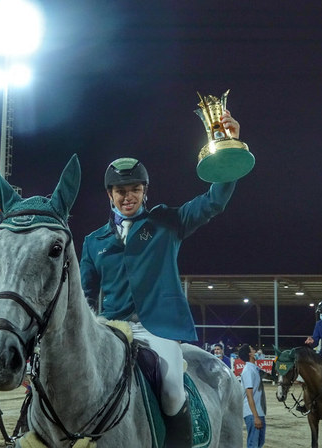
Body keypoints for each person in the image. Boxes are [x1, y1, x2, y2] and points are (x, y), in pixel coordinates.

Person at [80, 111, 242, 448]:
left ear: (145, 191)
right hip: (111, 329)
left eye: (135, 189)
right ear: (109, 194)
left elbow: (213, 202)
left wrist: (225, 148)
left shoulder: (167, 222)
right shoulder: (93, 241)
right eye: (120, 191)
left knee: (171, 391)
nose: (128, 197)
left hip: (158, 329)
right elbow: (84, 293)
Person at [239, 344, 266, 448]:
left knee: (259, 443)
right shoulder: (248, 371)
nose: (255, 351)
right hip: (253, 413)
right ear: (250, 354)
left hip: (258, 411)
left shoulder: (254, 368)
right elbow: (249, 395)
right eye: (252, 349)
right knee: (253, 444)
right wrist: (256, 417)